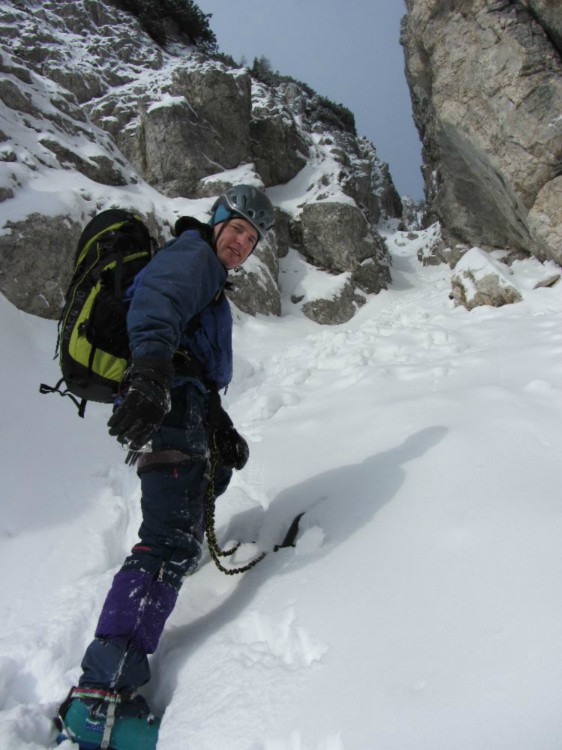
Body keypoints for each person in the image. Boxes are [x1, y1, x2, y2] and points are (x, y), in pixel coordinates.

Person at [57, 184, 275, 750]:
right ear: (217, 221)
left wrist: (219, 426)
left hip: (185, 405)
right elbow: (156, 302)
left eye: (251, 238)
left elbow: (193, 359)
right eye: (236, 227)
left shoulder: (209, 274)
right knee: (166, 543)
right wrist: (151, 373)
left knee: (192, 510)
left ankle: (112, 673)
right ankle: (101, 696)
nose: (241, 242)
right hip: (170, 405)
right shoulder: (194, 256)